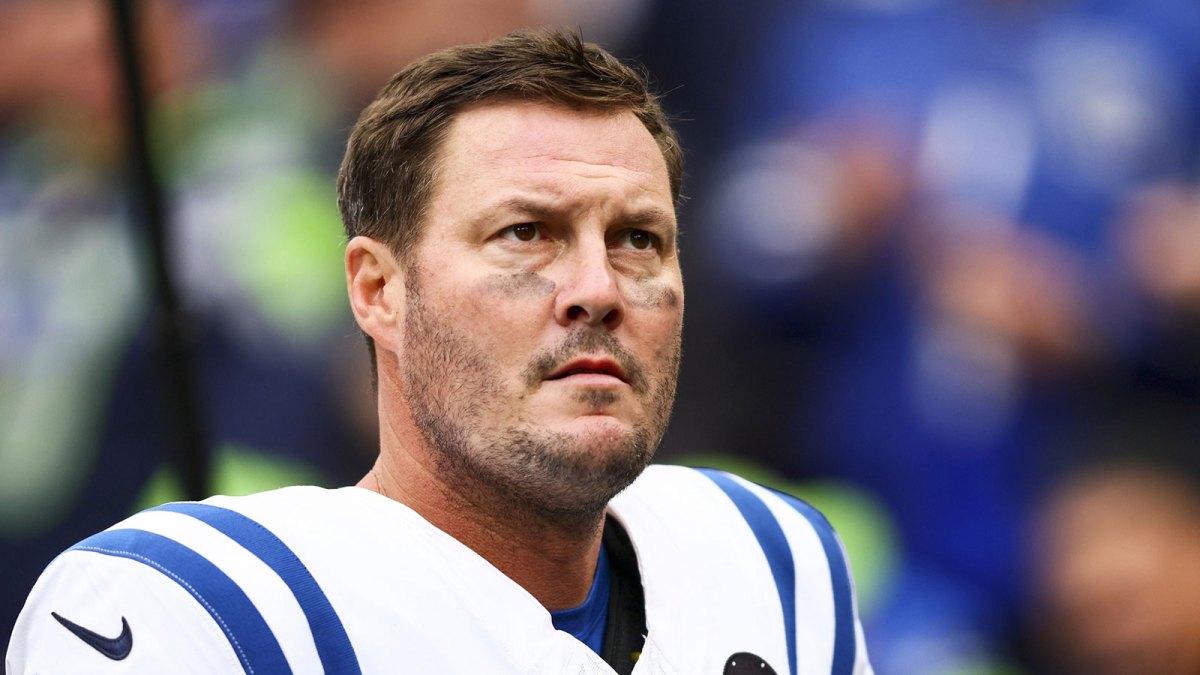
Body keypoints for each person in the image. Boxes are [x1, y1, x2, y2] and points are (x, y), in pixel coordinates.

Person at [6, 28, 873, 674]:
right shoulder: (188, 608)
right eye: (526, 232)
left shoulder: (775, 558)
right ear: (378, 291)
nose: (598, 287)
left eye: (639, 238)